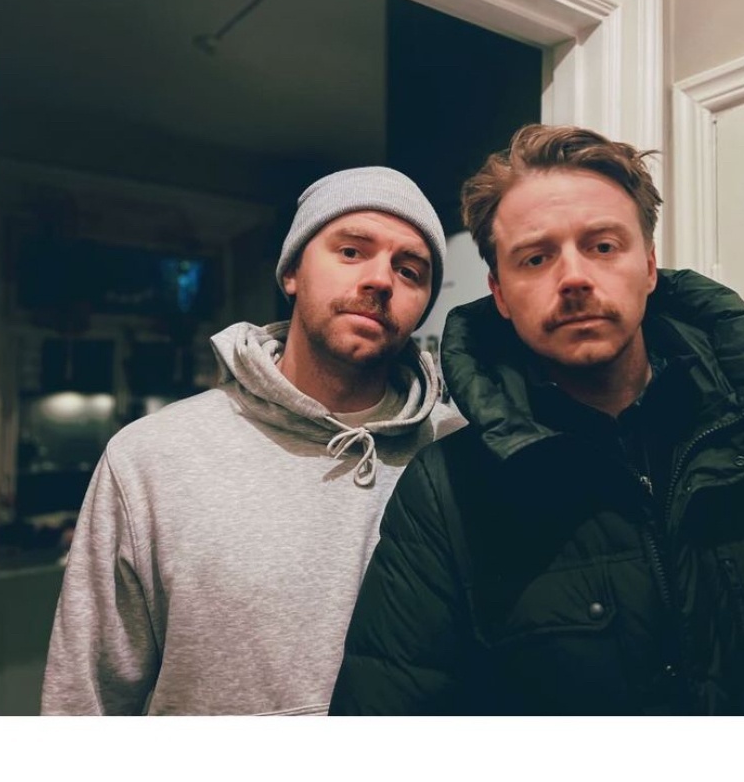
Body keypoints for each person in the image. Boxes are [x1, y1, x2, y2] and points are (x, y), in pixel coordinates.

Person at [328, 125, 744, 715]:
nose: (574, 277)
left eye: (602, 245)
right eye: (536, 258)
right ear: (499, 293)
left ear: (647, 266)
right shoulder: (445, 494)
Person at [41, 166, 464, 715]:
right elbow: (83, 700)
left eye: (409, 270)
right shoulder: (152, 457)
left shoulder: (458, 453)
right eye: (351, 251)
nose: (381, 280)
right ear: (291, 273)